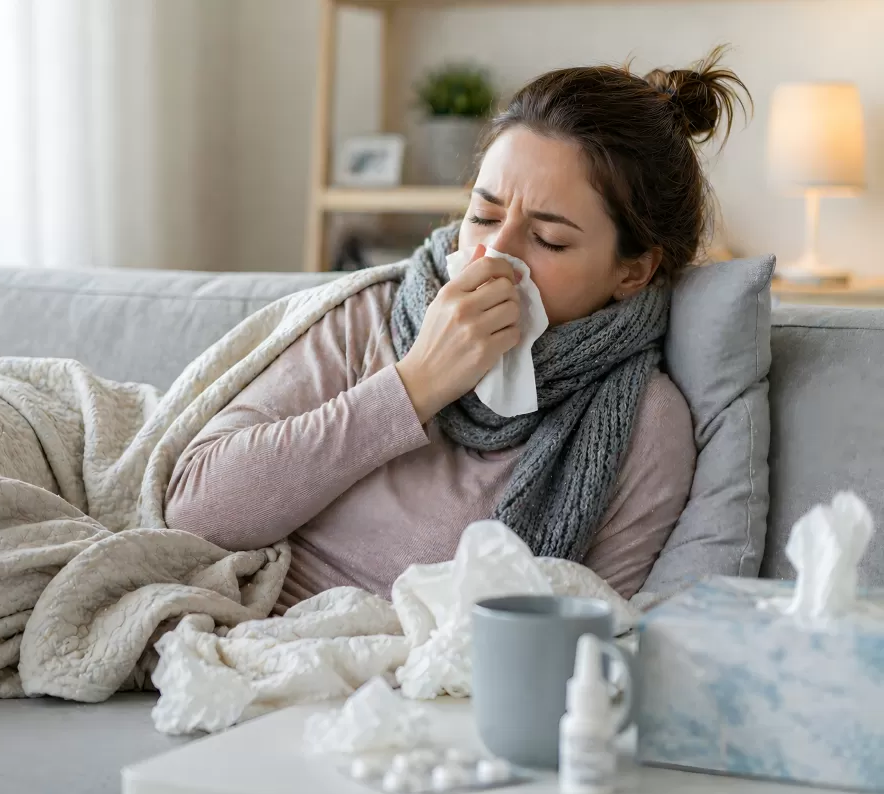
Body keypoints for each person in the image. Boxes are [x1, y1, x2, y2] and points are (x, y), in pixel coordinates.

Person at [165, 48, 751, 609]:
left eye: (548, 239)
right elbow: (196, 510)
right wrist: (416, 383)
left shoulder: (642, 424)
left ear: (633, 270)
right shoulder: (372, 317)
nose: (495, 252)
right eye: (484, 215)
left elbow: (586, 642)